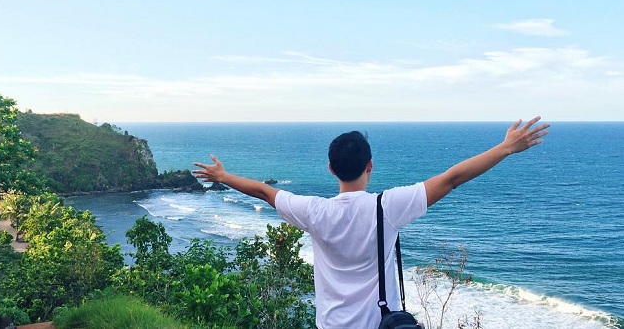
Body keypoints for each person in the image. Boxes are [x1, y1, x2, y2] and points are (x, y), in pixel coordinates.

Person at [193, 116, 550, 329]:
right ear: (370, 166)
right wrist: (505, 148)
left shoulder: (314, 211)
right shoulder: (388, 207)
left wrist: (223, 176)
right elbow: (452, 178)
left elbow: (264, 192)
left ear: (331, 169)